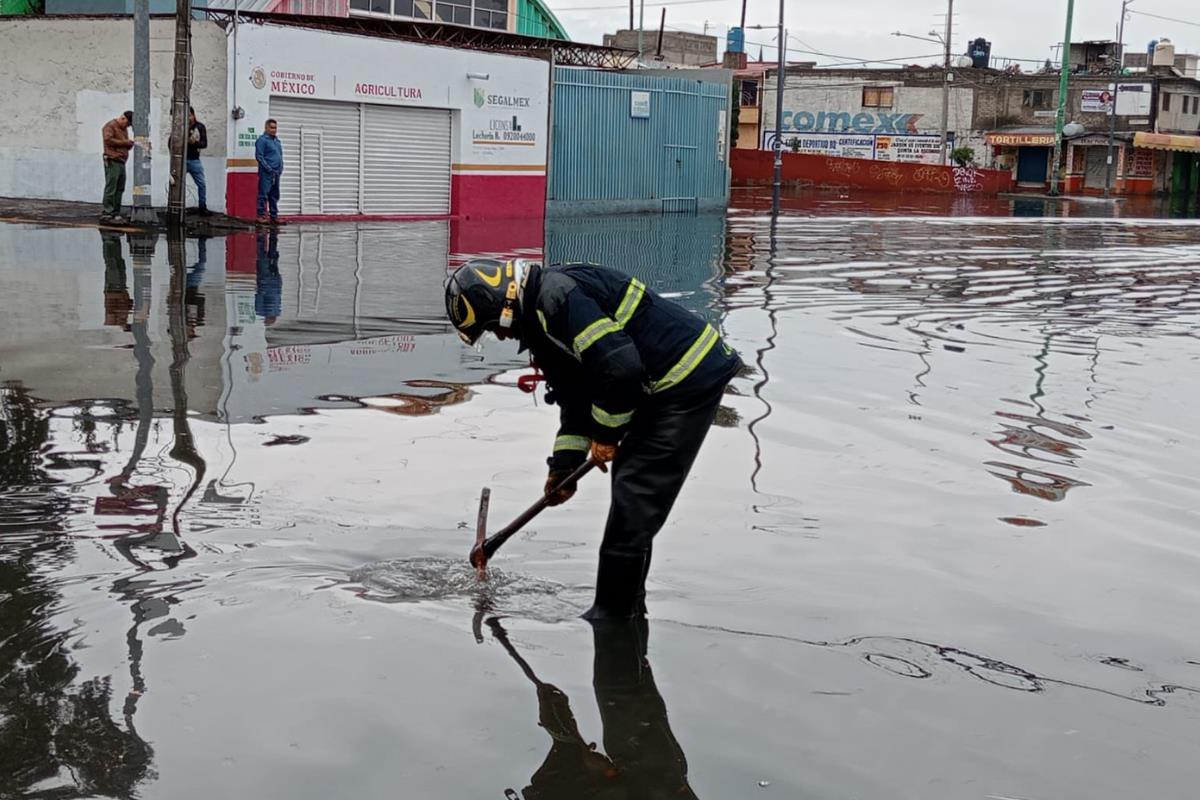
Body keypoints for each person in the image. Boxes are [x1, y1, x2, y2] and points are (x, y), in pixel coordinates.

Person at [445, 259, 741, 619]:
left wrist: (606, 435)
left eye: (494, 328)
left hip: (685, 377)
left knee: (634, 497)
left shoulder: (556, 298)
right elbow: (575, 398)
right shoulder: (542, 320)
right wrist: (562, 468)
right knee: (630, 497)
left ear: (503, 307)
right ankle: (629, 609)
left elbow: (620, 366)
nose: (502, 337)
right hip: (659, 385)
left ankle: (611, 622)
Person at [487, 616, 698, 799]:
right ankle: (618, 601)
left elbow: (569, 759)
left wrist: (562, 731)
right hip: (653, 780)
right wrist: (565, 735)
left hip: (652, 779)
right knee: (617, 684)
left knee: (621, 678)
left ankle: (620, 601)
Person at [100, 111, 135, 224]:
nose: (127, 127)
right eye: (128, 124)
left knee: (120, 188)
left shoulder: (123, 129)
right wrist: (125, 142)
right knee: (111, 187)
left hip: (121, 161)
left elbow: (122, 144)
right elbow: (108, 140)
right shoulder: (110, 126)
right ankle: (107, 213)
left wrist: (128, 145)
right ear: (123, 118)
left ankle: (115, 212)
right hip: (112, 160)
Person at [255, 119, 284, 226]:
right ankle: (260, 215)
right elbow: (259, 156)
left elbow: (280, 156)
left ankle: (274, 216)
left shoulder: (277, 141)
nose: (274, 130)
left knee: (274, 195)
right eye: (271, 127)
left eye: (275, 127)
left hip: (276, 172)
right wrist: (268, 168)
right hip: (266, 172)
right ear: (266, 128)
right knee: (263, 194)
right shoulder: (262, 140)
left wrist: (281, 168)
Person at [186, 107, 210, 216]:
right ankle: (178, 206)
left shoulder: (200, 127)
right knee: (176, 184)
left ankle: (202, 207)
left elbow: (204, 144)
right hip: (181, 159)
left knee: (202, 184)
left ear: (193, 115)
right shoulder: (181, 126)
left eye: (189, 115)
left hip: (194, 159)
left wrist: (194, 143)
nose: (188, 118)